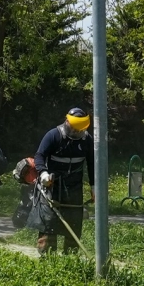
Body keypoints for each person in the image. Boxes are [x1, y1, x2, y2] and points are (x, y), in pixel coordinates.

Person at [32, 107, 95, 254]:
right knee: (49, 223)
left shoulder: (87, 140)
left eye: (79, 130)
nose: (76, 133)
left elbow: (92, 164)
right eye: (74, 129)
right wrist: (43, 173)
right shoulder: (53, 135)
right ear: (67, 122)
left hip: (74, 186)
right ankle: (46, 257)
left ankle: (71, 258)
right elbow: (39, 156)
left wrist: (94, 186)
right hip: (52, 185)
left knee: (74, 223)